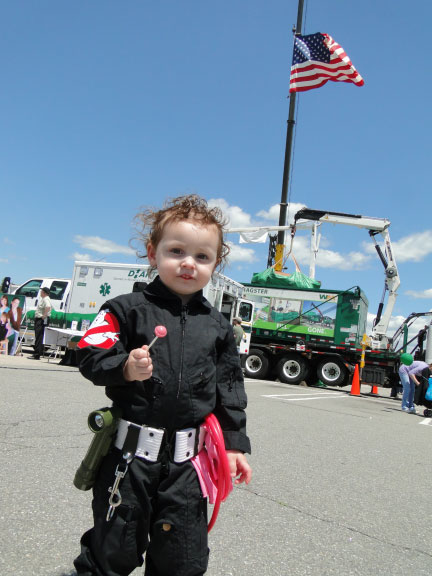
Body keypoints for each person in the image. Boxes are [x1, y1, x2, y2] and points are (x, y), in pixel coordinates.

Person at [73, 194, 252, 576]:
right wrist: (124, 367)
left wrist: (235, 445)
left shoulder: (219, 327)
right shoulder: (125, 309)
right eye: (176, 251)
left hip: (189, 466)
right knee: (111, 551)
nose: (189, 263)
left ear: (215, 264)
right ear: (153, 253)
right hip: (129, 460)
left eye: (203, 257)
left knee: (183, 559)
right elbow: (89, 353)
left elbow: (231, 388)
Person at [29, 287, 51, 360]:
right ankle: (37, 352)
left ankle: (37, 354)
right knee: (38, 336)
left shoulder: (46, 299)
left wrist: (44, 316)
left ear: (44, 293)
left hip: (41, 320)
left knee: (39, 336)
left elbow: (48, 307)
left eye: (41, 291)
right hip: (40, 319)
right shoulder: (44, 299)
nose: (40, 293)